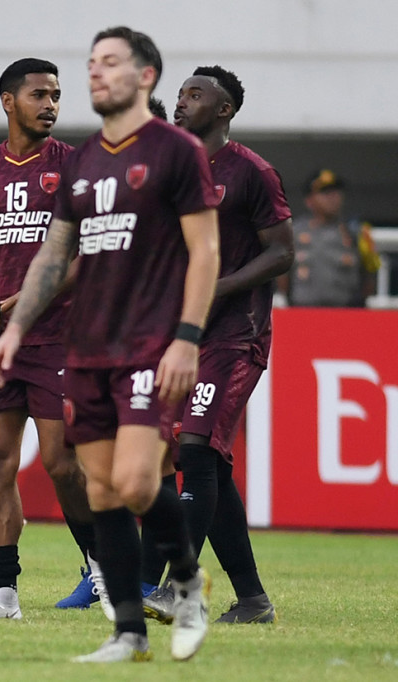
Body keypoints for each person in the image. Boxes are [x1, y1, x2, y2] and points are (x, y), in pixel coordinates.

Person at [0, 27, 219, 662]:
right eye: (91, 63)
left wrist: (187, 338)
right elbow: (55, 254)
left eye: (110, 63)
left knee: (140, 483)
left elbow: (205, 251)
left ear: (145, 76)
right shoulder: (84, 158)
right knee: (101, 491)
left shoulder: (176, 151)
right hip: (83, 349)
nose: (95, 74)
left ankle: (187, 584)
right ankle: (129, 633)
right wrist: (15, 328)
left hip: (148, 343)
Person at [138, 66, 293, 626]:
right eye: (180, 93)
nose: (182, 102)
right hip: (182, 337)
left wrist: (214, 288)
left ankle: (176, 588)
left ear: (224, 109)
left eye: (195, 95)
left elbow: (282, 253)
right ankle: (252, 600)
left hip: (236, 335)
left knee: (197, 451)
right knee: (209, 467)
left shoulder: (252, 171)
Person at [0, 57, 95, 621]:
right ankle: (3, 595)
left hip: (56, 337)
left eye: (56, 95)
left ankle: (102, 569)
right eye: (39, 95)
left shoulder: (76, 165)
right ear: (9, 101)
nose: (51, 104)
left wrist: (16, 304)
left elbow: (84, 252)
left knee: (61, 463)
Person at [277, 169, 380, 307]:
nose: (333, 197)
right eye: (325, 193)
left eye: (336, 192)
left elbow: (368, 279)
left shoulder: (356, 232)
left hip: (346, 316)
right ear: (309, 201)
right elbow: (283, 281)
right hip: (303, 315)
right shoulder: (292, 233)